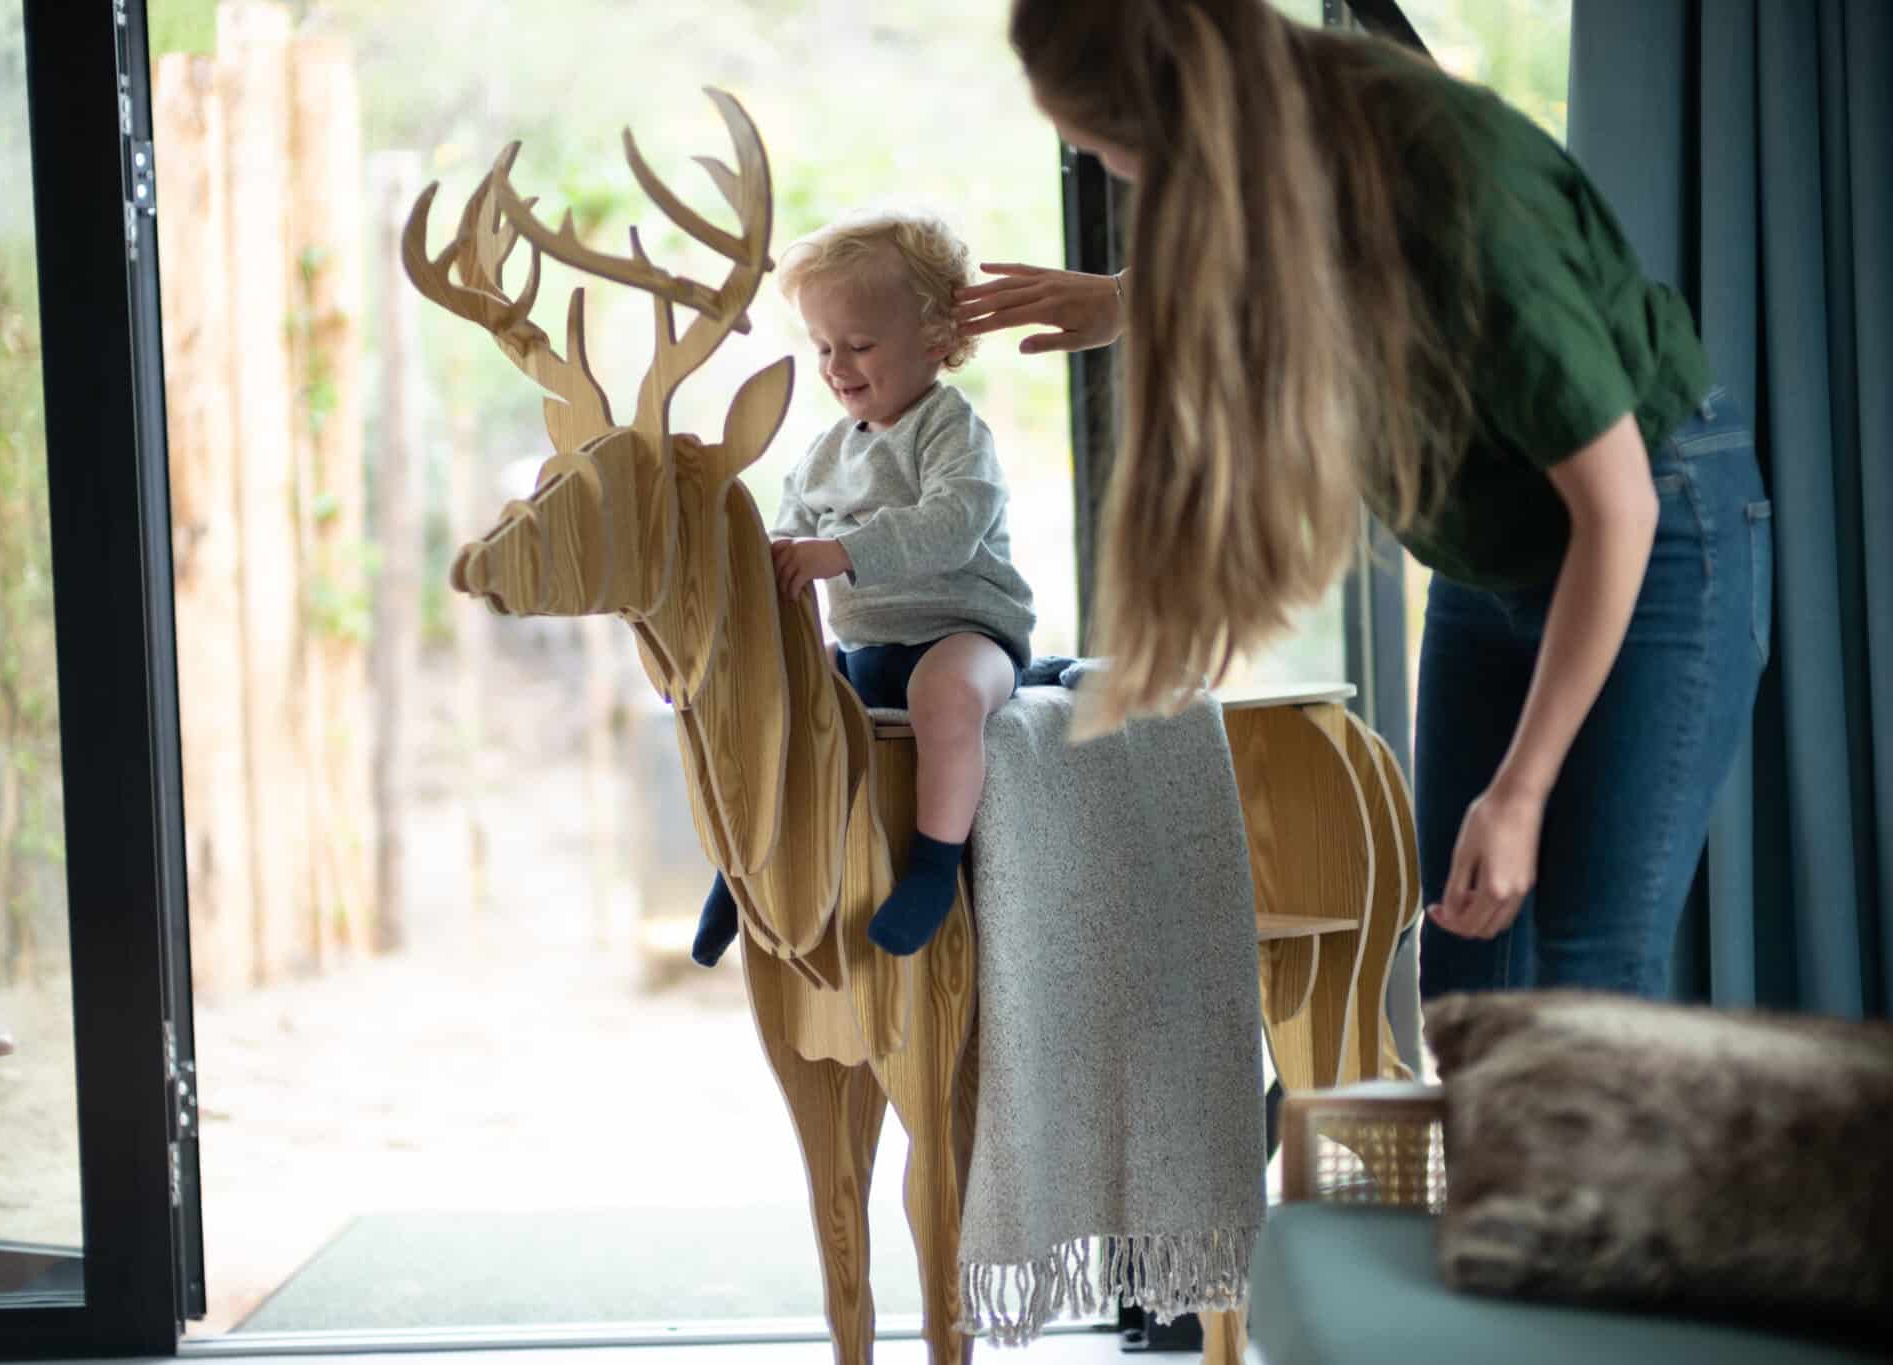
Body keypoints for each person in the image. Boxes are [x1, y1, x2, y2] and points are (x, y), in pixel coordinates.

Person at [957, 0, 1771, 1001]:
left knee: (1588, 975)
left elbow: (1616, 510)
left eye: (1121, 149)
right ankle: (1488, 1164)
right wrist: (1129, 295)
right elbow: (1292, 248)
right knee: (1467, 974)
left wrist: (1518, 792)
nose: (1128, 177)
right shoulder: (1284, 135)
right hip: (1485, 559)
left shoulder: (1460, 187)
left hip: (1647, 534)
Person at [692, 208, 1037, 966]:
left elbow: (955, 520)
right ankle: (741, 871)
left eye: (859, 344)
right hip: (867, 646)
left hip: (966, 634)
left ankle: (932, 868)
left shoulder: (949, 428)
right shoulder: (823, 452)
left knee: (945, 694)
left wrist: (839, 552)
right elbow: (784, 539)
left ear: (937, 342)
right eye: (822, 345)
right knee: (773, 707)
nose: (835, 364)